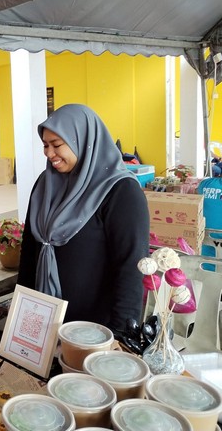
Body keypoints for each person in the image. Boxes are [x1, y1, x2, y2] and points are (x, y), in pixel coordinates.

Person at [17, 104, 148, 331]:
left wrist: (120, 334)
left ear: (83, 140)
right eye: (45, 145)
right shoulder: (45, 185)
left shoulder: (121, 191)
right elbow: (30, 251)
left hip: (94, 329)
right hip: (43, 320)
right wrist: (21, 312)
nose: (49, 153)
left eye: (57, 145)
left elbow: (131, 267)